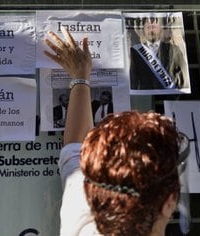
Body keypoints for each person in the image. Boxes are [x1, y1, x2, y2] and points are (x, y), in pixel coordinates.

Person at [44, 28, 187, 235]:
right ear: (168, 204)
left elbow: (74, 149)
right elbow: (74, 152)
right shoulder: (82, 212)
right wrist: (80, 76)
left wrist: (80, 75)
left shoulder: (84, 217)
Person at [130, 17, 189, 90]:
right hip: (145, 97)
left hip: (169, 96)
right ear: (143, 30)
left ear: (161, 28)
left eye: (154, 27)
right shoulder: (135, 51)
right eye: (148, 27)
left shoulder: (174, 49)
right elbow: (132, 80)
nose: (151, 30)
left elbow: (183, 77)